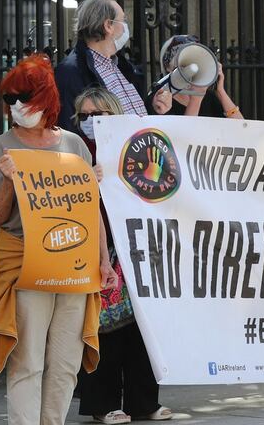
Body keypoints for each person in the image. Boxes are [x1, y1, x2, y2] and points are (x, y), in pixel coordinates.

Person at [0, 55, 118, 425]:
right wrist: (9, 180)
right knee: (27, 360)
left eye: (22, 97)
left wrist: (104, 261)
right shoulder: (0, 147)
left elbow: (88, 210)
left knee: (65, 362)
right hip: (26, 264)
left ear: (45, 99)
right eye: (9, 99)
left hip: (74, 264)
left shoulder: (73, 145)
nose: (15, 107)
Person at [70, 87, 173, 424]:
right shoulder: (72, 150)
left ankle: (144, 401)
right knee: (103, 328)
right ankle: (103, 403)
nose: (91, 121)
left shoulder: (134, 148)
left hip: (136, 246)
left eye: (99, 114)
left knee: (144, 327)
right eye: (84, 116)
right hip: (94, 249)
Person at [56, 0, 172, 134]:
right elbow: (70, 130)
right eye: (123, 20)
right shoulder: (72, 71)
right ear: (108, 25)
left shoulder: (119, 66)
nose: (125, 27)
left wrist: (154, 107)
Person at [158, 34, 244, 119]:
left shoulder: (210, 98)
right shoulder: (161, 101)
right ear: (168, 67)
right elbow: (185, 132)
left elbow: (241, 127)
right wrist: (196, 99)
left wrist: (220, 92)